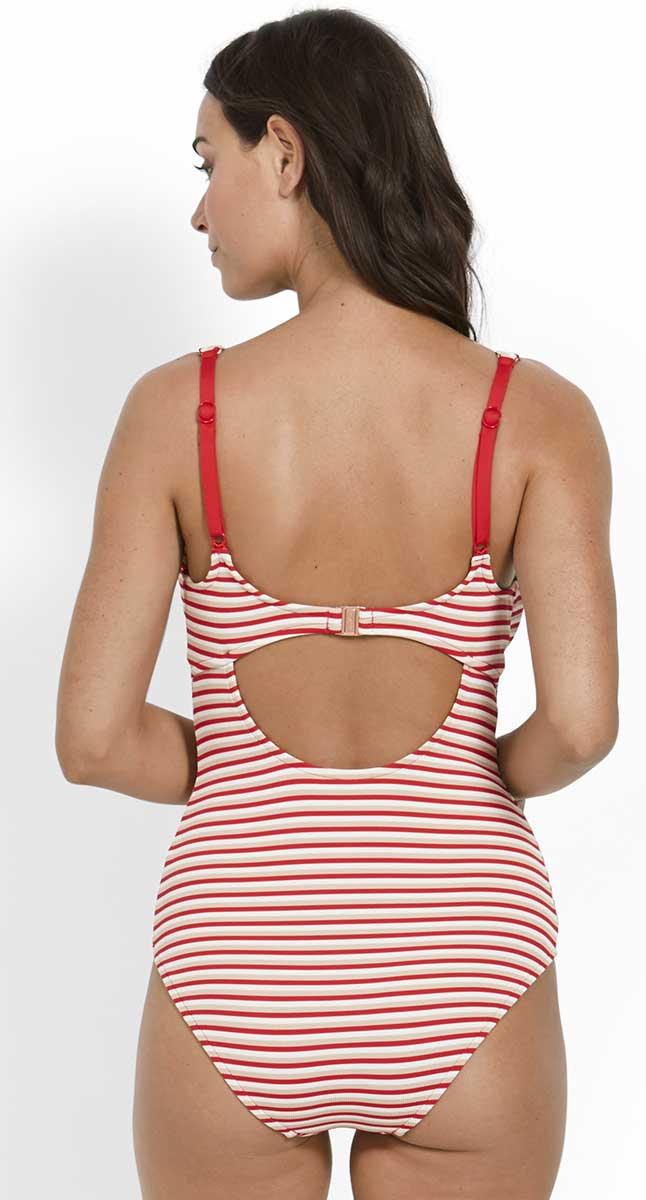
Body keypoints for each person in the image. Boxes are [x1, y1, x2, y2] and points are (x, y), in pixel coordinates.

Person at [55, 9, 618, 1199]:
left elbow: (95, 740)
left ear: (285, 152)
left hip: (236, 964)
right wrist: (465, 771)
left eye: (207, 163)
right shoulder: (536, 417)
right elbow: (579, 725)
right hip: (464, 959)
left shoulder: (176, 414)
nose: (199, 212)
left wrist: (252, 766)